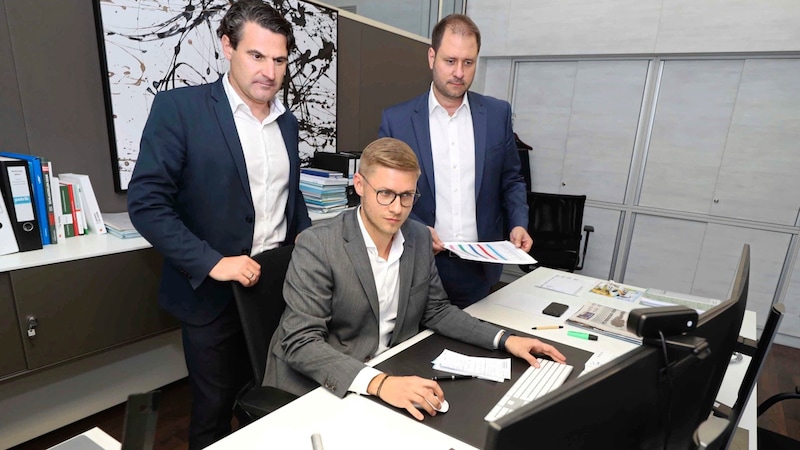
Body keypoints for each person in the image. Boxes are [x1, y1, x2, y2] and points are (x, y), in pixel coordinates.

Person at [262, 137, 564, 421]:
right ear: (359, 186)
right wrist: (380, 383)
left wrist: (504, 339)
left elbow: (437, 310)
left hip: (389, 368)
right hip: (323, 381)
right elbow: (300, 342)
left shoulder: (418, 236)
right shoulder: (319, 245)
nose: (397, 208)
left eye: (407, 195)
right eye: (385, 194)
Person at [127, 1, 311, 448]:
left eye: (279, 59)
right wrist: (214, 263)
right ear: (227, 47)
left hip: (273, 290)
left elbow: (291, 197)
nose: (269, 71)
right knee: (211, 415)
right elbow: (147, 203)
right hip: (212, 296)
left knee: (266, 402)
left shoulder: (286, 122)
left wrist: (311, 252)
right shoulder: (180, 109)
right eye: (256, 56)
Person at [379, 14, 532, 309]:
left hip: (479, 269)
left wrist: (518, 223)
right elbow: (384, 194)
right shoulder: (397, 121)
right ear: (432, 57)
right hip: (417, 263)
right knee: (414, 352)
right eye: (450, 61)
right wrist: (415, 228)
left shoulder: (497, 115)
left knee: (473, 348)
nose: (459, 72)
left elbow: (512, 179)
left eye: (468, 62)